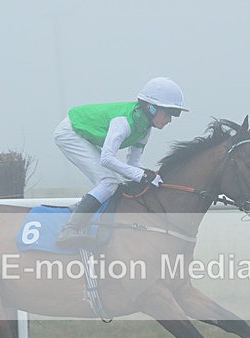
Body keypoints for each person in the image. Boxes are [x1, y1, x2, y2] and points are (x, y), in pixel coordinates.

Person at [53, 77, 188, 248]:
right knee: (109, 182)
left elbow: (133, 163)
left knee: (112, 181)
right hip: (69, 133)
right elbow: (107, 159)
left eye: (175, 114)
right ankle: (70, 229)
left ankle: (80, 211)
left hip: (84, 135)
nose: (170, 119)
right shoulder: (123, 122)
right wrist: (141, 175)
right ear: (151, 107)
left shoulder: (145, 129)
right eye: (169, 113)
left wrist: (153, 175)